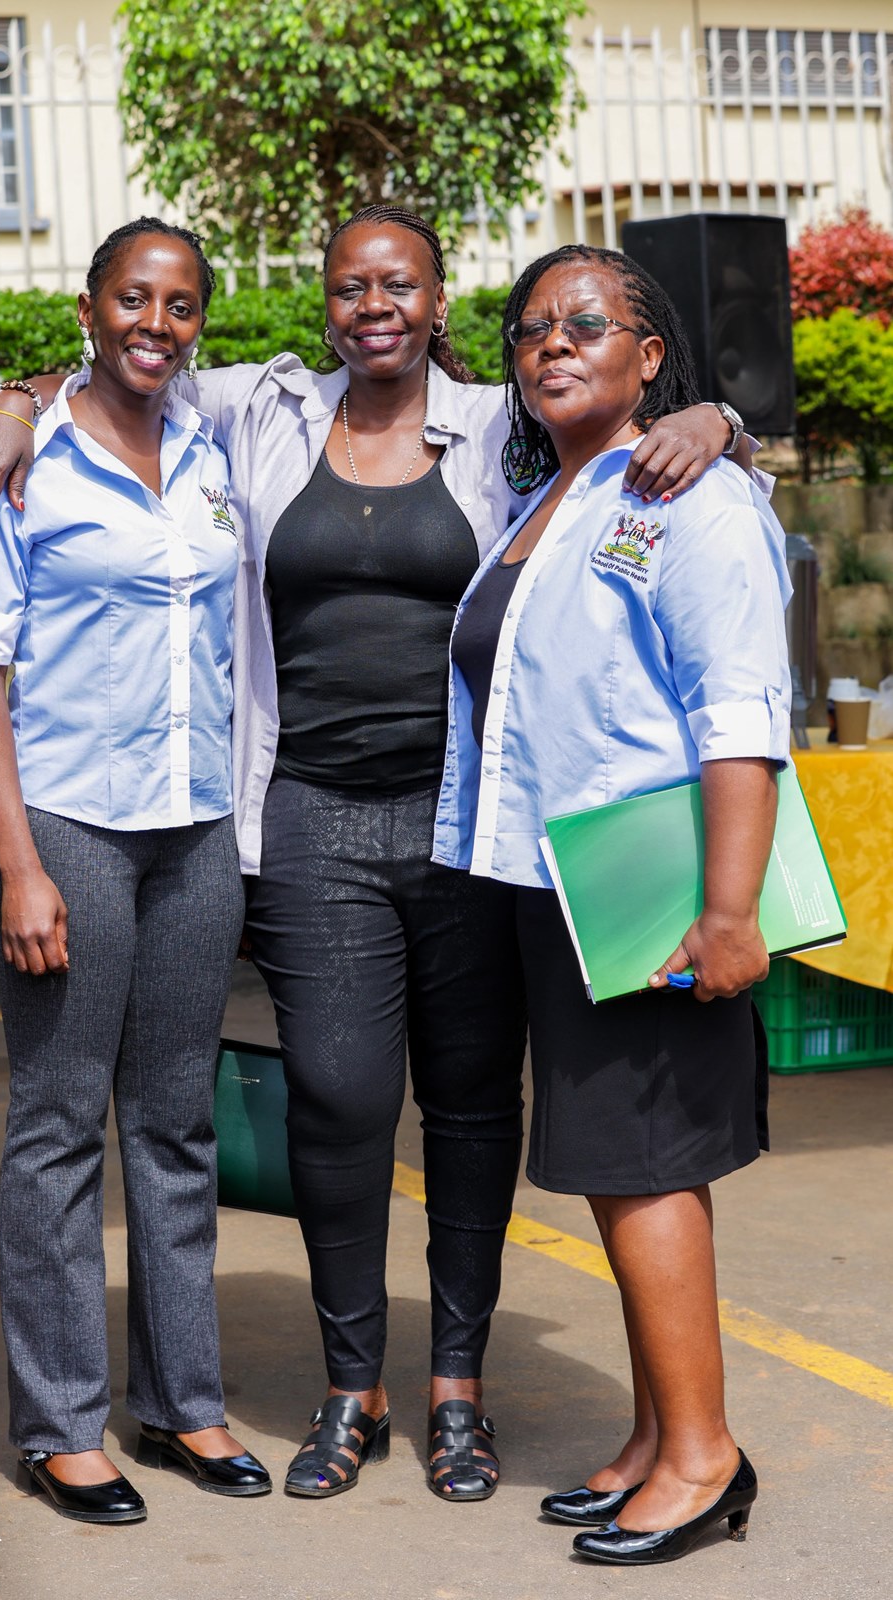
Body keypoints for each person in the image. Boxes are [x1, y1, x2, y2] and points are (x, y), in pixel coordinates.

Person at [0, 207, 763, 1504]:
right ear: (323, 305)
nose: (374, 304)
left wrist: (720, 420)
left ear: (440, 302)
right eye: (347, 286)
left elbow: (640, 446)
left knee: (472, 1103)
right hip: (307, 818)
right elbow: (123, 365)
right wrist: (9, 399)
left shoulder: (507, 422)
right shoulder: (258, 414)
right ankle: (350, 1386)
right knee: (333, 1096)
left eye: (401, 284)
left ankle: (457, 1389)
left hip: (466, 822)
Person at [435, 243, 791, 1562]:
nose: (551, 342)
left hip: (652, 887)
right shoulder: (556, 492)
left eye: (585, 323)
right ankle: (655, 1436)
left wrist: (731, 910)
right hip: (560, 883)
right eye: (531, 327)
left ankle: (703, 1460)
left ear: (649, 357)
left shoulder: (697, 498)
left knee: (645, 1173)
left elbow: (740, 714)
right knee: (619, 1169)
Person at [0, 218, 270, 1525]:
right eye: (133, 298)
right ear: (89, 308)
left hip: (194, 830)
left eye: (180, 305)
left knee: (177, 1124)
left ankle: (182, 1403)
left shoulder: (213, 447)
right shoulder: (21, 460)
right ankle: (63, 1423)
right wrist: (19, 865)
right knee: (62, 1123)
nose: (156, 324)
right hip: (67, 820)